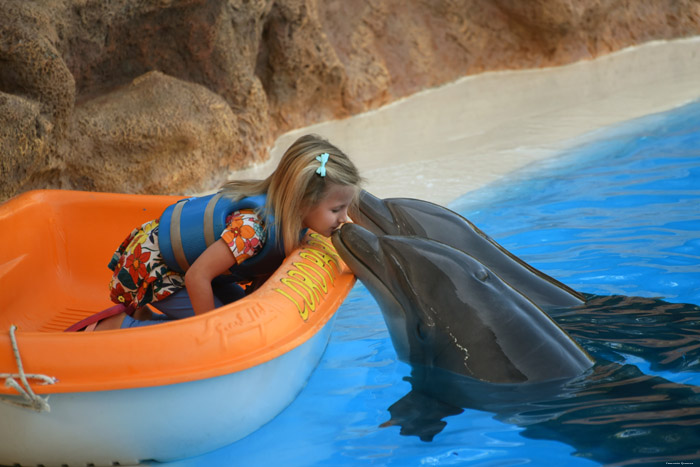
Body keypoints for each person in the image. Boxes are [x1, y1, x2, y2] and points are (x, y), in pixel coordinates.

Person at [68, 134, 362, 331]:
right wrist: (210, 330)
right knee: (221, 328)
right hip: (159, 269)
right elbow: (198, 276)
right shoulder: (252, 230)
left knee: (241, 314)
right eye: (336, 209)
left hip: (187, 266)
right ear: (302, 199)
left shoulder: (291, 222)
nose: (343, 217)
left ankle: (141, 313)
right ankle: (117, 326)